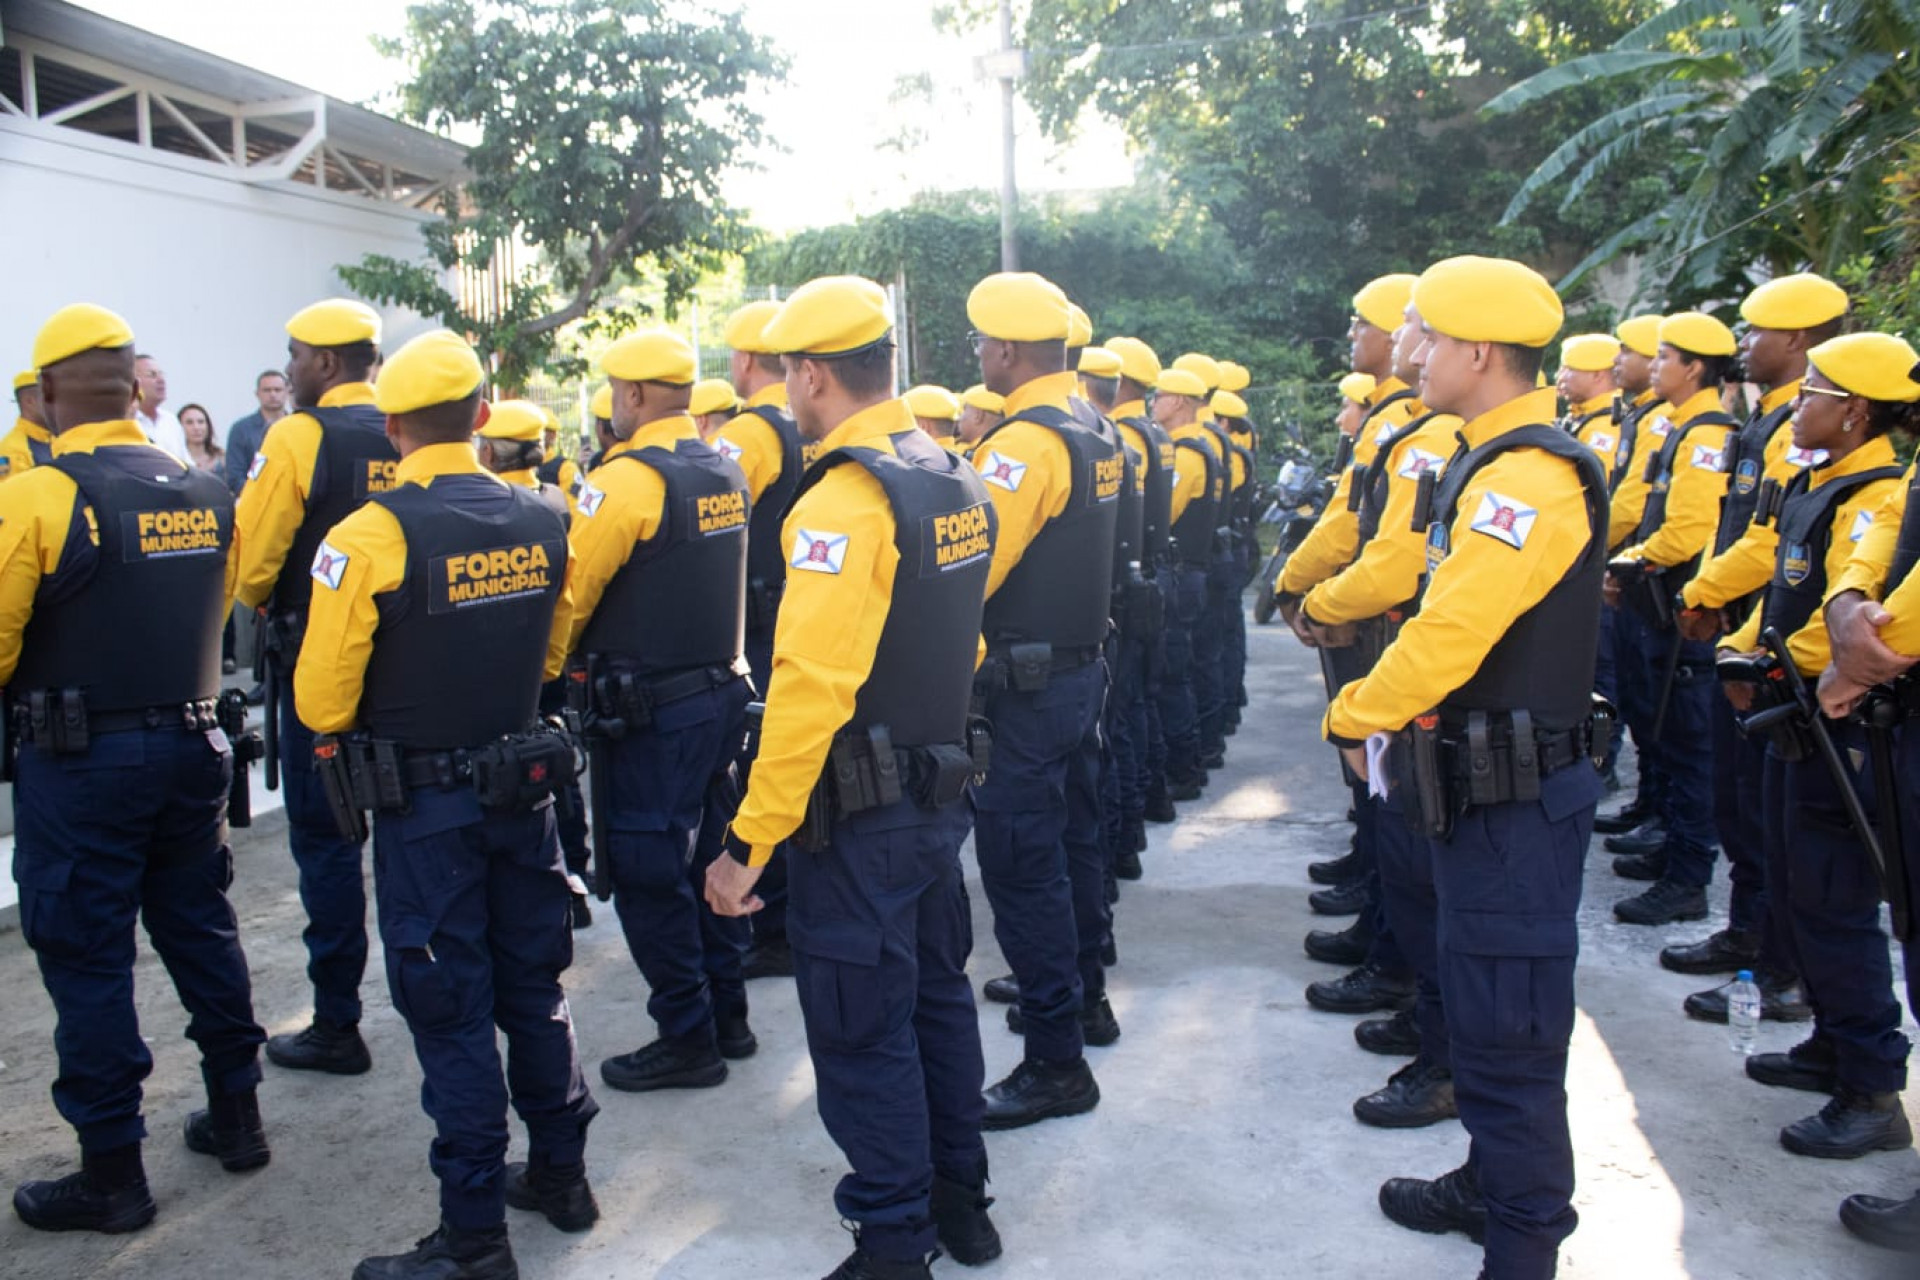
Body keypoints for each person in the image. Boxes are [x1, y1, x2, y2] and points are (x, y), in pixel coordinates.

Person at [704, 274, 1000, 1280]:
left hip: (864, 818)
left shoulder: (844, 499)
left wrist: (751, 843)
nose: (784, 392)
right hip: (935, 793)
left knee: (861, 1028)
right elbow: (963, 640)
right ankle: (962, 1202)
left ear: (815, 373)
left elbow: (807, 692)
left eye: (787, 373)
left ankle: (891, 1244)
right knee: (938, 1003)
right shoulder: (951, 472)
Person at [293, 329, 600, 1280]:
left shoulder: (370, 536)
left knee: (453, 1012)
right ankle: (561, 1176)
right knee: (535, 992)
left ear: (391, 428)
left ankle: (473, 1237)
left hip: (428, 812)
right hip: (527, 791)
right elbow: (553, 653)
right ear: (478, 416)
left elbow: (320, 702)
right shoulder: (548, 515)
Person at [1325, 256, 1608, 1280]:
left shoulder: (1527, 475)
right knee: (1489, 1014)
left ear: (1479, 352)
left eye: (1427, 337)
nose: (1411, 352)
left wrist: (1355, 711)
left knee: (1511, 1031)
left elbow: (1451, 628)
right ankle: (1492, 1182)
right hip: (1482, 788)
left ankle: (1524, 1240)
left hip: (1516, 802)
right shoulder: (1485, 457)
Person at [5, 304, 267, 1234]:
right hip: (193, 748)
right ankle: (239, 1116)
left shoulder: (37, 494)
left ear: (43, 394)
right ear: (128, 387)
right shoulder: (205, 488)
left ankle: (113, 1173)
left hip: (82, 764)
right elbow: (219, 600)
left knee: (88, 960)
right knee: (201, 931)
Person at [1717, 332, 1910, 1165]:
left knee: (1835, 898)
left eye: (1816, 394)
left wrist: (1796, 665)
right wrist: (1752, 647)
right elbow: (1791, 589)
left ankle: (1872, 1087)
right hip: (1798, 710)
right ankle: (1835, 1044)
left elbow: (1865, 617)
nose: (1800, 404)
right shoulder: (1812, 484)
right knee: (1798, 883)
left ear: (1856, 410)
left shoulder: (1877, 492)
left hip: (1844, 719)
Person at [567, 327, 756, 1092]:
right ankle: (730, 1015)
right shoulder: (723, 467)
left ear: (635, 396)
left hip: (652, 715)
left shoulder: (625, 482)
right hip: (718, 698)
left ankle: (687, 1036)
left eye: (616, 392)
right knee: (714, 859)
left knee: (649, 871)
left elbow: (570, 602)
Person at [1297, 296, 1465, 1123]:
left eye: (1403, 328)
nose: (1392, 343)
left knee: (1419, 850)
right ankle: (1409, 986)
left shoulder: (1442, 441)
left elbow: (1399, 560)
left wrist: (1318, 598)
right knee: (1398, 843)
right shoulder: (1425, 434)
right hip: (1393, 662)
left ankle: (1435, 1034)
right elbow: (1351, 521)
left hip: (1412, 673)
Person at [1667, 274, 1847, 1021]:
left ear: (1799, 340)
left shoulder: (1804, 435)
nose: (1744, 345)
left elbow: (1772, 544)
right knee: (1746, 808)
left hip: (1777, 644)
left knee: (1775, 821)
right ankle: (1751, 937)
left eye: (1755, 332)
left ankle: (1778, 965)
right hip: (1748, 632)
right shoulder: (1773, 425)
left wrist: (1701, 592)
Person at [965, 271, 1120, 1129]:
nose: (980, 355)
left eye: (985, 343)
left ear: (1011, 351)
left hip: (1026, 691)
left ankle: (1056, 1062)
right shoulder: (1093, 424)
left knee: (1025, 873)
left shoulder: (1021, 447)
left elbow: (970, 571)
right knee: (1076, 847)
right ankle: (1084, 997)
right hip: (1076, 673)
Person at [229, 297, 395, 1076]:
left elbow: (253, 563)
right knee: (409, 826)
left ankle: (338, 1022)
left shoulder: (299, 435)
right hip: (410, 667)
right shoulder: (411, 422)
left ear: (325, 363)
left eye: (294, 355)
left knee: (327, 841)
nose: (288, 369)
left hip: (319, 668)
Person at [1820, 341, 1920, 1255]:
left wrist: (1859, 649)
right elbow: (1881, 541)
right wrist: (1852, 601)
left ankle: (1870, 1082)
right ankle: (1846, 1057)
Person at [1607, 312, 1742, 927]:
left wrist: (1629, 560)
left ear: (1694, 367)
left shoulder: (1708, 432)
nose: (1653, 366)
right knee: (1657, 725)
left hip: (1680, 609)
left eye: (1664, 357)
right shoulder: (1679, 426)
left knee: (1689, 745)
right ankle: (1668, 843)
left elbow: (1687, 528)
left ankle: (1688, 877)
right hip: (1653, 604)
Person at [714, 299, 810, 982]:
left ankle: (769, 919)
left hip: (761, 625)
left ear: (745, 361)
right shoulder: (808, 421)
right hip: (796, 611)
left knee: (762, 767)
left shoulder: (750, 432)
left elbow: (713, 528)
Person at [226, 370, 290, 493]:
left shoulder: (298, 427)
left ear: (287, 392)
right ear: (257, 394)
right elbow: (235, 477)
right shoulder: (241, 429)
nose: (273, 394)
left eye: (277, 390)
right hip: (255, 502)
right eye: (267, 390)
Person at [132, 353, 190, 464]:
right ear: (134, 382)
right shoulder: (127, 421)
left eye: (161, 374)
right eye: (152, 375)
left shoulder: (170, 420)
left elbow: (186, 463)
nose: (161, 380)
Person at [2, 369, 54, 479]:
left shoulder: (56, 440)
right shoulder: (12, 451)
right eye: (50, 398)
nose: (56, 405)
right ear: (30, 402)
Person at [180, 403, 225, 476]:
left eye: (201, 422)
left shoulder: (222, 458)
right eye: (189, 422)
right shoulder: (175, 459)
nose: (196, 427)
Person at [956, 384, 1004, 450]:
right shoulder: (1002, 445)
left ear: (978, 415)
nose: (959, 418)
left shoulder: (985, 451)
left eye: (964, 409)